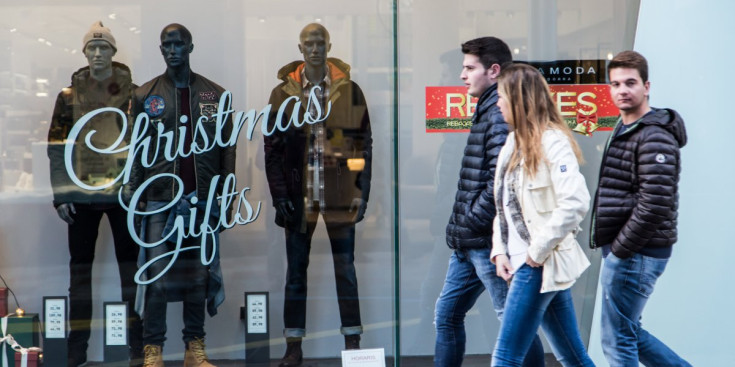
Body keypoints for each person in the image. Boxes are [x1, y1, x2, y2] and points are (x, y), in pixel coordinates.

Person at [263, 23, 372, 367]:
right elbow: (273, 149)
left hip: (339, 195)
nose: (314, 49)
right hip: (299, 197)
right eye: (308, 43)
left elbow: (362, 145)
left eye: (319, 43)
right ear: (300, 47)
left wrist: (360, 190)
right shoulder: (282, 94)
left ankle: (353, 344)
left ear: (329, 45)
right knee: (295, 272)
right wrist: (280, 195)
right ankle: (293, 346)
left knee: (346, 269)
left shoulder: (349, 90)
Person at [128, 23, 236, 367]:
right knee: (157, 275)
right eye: (166, 45)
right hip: (159, 198)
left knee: (198, 275)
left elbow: (226, 149)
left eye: (178, 44)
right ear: (161, 50)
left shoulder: (215, 95)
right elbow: (136, 147)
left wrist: (227, 193)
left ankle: (194, 348)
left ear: (191, 47)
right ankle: (153, 350)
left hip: (202, 200)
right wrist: (134, 190)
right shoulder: (145, 95)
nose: (172, 50)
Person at [434, 37, 544, 367]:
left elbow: (500, 183)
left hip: (485, 242)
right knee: (447, 315)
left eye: (469, 68)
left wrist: (470, 221)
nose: (461, 75)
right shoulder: (488, 107)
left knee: (512, 323)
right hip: (470, 242)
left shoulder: (498, 112)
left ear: (493, 71)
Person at [47, 20, 143, 367]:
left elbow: (143, 144)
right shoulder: (69, 96)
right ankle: (77, 348)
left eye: (104, 47)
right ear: (84, 52)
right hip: (82, 193)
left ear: (114, 52)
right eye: (92, 47)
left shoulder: (133, 94)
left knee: (131, 273)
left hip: (122, 194)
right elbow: (56, 146)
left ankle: (138, 346)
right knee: (80, 274)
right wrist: (62, 194)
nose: (98, 53)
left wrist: (137, 187)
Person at [590, 51, 691, 367]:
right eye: (616, 84)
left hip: (636, 252)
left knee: (617, 340)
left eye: (630, 82)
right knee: (627, 331)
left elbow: (655, 203)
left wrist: (620, 251)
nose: (622, 90)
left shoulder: (653, 136)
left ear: (646, 86)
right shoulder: (626, 128)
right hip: (632, 250)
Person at [490, 63, 594, 367]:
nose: (497, 103)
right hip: (526, 262)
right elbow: (503, 205)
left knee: (505, 357)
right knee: (572, 356)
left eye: (501, 97)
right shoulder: (512, 142)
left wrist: (536, 252)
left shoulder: (552, 141)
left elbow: (575, 201)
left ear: (519, 100)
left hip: (537, 264)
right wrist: (500, 252)